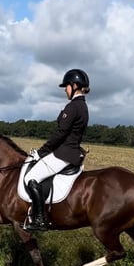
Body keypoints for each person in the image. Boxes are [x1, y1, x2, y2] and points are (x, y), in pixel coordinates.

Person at [23, 68, 90, 231]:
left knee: (31, 178)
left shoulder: (73, 107)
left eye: (66, 86)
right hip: (71, 152)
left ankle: (39, 219)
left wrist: (41, 152)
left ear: (74, 86)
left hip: (63, 154)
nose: (65, 90)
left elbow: (60, 134)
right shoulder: (83, 106)